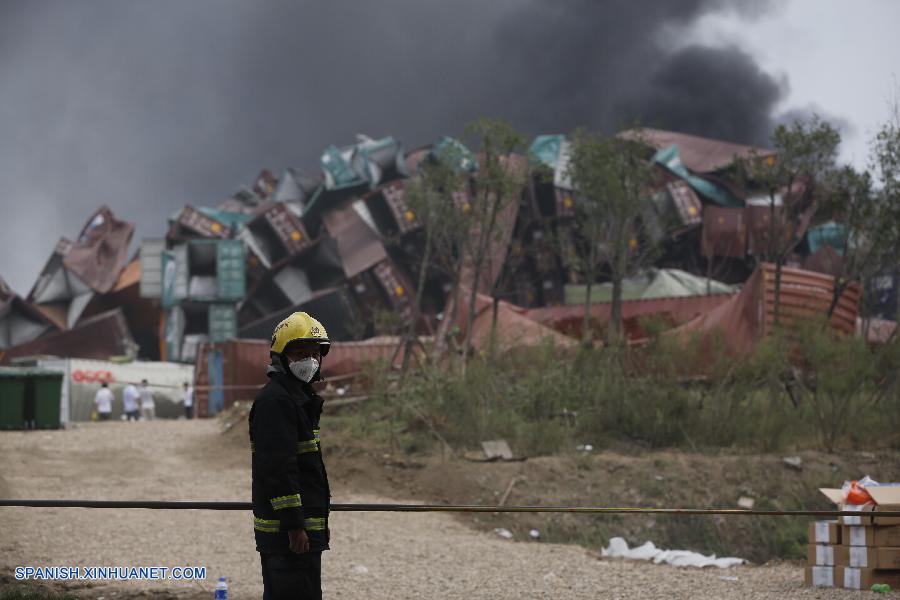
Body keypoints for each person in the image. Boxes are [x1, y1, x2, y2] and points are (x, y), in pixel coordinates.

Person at [250, 311, 331, 600]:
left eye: (314, 353)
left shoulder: (297, 398)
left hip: (299, 536)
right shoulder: (277, 401)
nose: (310, 360)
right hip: (290, 539)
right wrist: (295, 526)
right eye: (300, 353)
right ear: (281, 356)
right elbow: (278, 468)